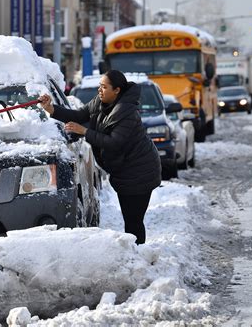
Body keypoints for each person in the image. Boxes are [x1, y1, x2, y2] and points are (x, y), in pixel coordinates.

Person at [38, 70, 161, 244]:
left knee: (133, 220)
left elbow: (114, 142)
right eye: (99, 86)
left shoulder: (127, 113)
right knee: (130, 219)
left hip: (141, 171)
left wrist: (85, 131)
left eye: (104, 87)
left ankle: (140, 255)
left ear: (117, 90)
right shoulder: (101, 102)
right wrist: (50, 108)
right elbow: (78, 115)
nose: (100, 91)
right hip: (124, 171)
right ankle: (136, 253)